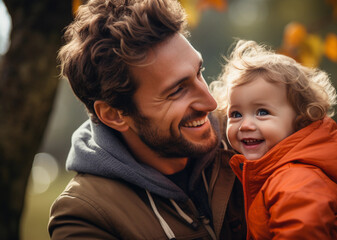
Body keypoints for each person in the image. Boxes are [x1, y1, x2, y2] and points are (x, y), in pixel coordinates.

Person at [48, 0, 246, 239]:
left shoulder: (247, 137)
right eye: (177, 90)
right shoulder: (84, 216)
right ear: (113, 115)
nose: (211, 103)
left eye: (198, 73)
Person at [210, 40, 337, 239]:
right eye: (235, 114)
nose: (245, 125)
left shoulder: (295, 178)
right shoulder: (276, 172)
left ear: (300, 119)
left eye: (262, 112)